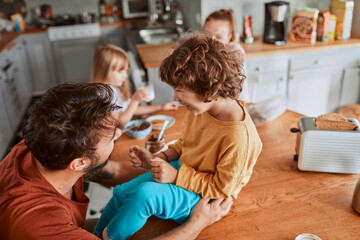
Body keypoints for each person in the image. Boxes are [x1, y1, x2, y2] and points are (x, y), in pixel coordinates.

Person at [0, 82, 233, 240]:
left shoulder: (43, 143)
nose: (119, 134)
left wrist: (154, 162)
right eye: (112, 136)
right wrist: (197, 223)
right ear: (80, 162)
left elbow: (115, 171)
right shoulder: (39, 224)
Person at [94, 34, 263, 240]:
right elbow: (187, 144)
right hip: (185, 172)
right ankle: (91, 236)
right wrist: (160, 159)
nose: (175, 97)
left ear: (211, 88)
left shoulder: (238, 137)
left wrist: (175, 177)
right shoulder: (202, 109)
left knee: (144, 195)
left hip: (203, 198)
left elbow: (221, 188)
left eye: (180, 90)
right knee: (121, 191)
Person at [91, 44, 178, 129]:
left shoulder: (113, 88)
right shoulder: (104, 95)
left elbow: (132, 109)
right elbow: (120, 123)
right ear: (104, 70)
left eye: (126, 71)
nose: (125, 76)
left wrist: (161, 107)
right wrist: (135, 100)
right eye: (120, 71)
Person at [202, 9, 249, 102]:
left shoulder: (235, 51)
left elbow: (238, 57)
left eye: (219, 37)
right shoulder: (203, 48)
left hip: (237, 103)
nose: (211, 40)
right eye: (207, 34)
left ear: (229, 38)